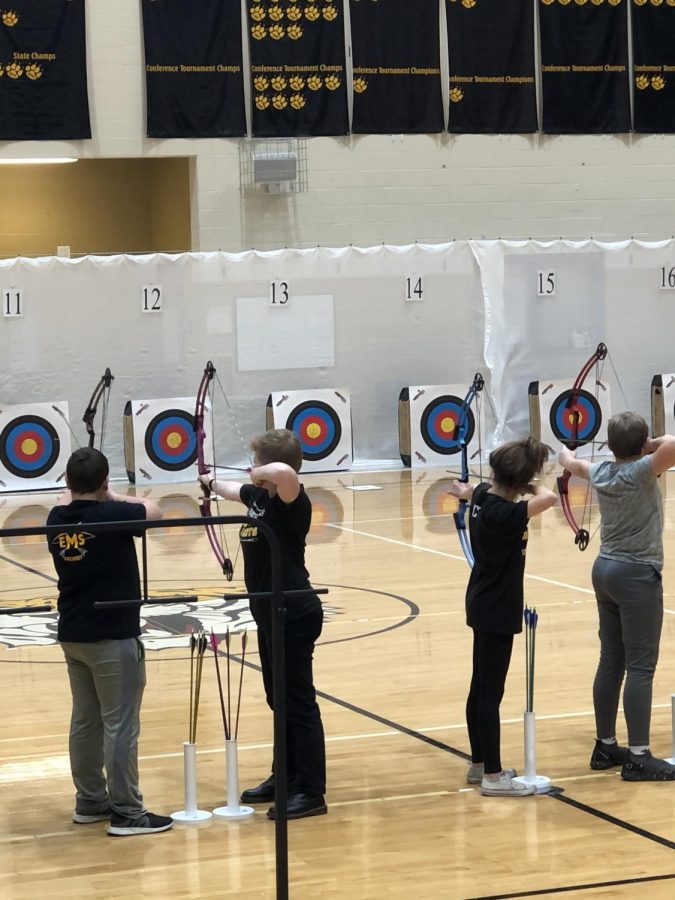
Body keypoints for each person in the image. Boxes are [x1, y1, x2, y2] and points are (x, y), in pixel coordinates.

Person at [200, 428, 326, 820]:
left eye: (257, 462)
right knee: (278, 698)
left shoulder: (292, 501)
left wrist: (262, 470)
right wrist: (208, 480)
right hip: (269, 611)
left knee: (298, 701)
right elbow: (232, 490)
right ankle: (285, 776)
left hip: (294, 610)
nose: (252, 468)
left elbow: (286, 475)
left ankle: (311, 791)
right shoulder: (258, 497)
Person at [47, 447, 173, 835]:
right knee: (120, 725)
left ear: (68, 483)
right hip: (112, 634)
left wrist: (88, 493)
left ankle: (90, 800)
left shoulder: (56, 517)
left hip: (74, 632)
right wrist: (113, 495)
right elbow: (155, 511)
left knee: (86, 721)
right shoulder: (114, 512)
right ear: (104, 482)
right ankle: (127, 813)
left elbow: (73, 504)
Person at [559, 412, 675, 780]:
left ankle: (605, 745)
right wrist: (650, 446)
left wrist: (565, 450)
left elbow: (568, 460)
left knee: (611, 660)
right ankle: (638, 756)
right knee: (641, 666)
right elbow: (672, 444)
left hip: (604, 571)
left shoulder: (601, 472)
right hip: (636, 575)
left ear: (609, 445)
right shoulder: (642, 471)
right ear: (641, 446)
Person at [449, 436, 557, 797]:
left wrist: (465, 490)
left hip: (484, 600)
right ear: (521, 479)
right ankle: (493, 777)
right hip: (497, 606)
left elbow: (464, 489)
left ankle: (480, 764)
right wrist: (533, 485)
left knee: (481, 685)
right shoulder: (505, 512)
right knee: (489, 692)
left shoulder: (483, 497)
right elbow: (550, 498)